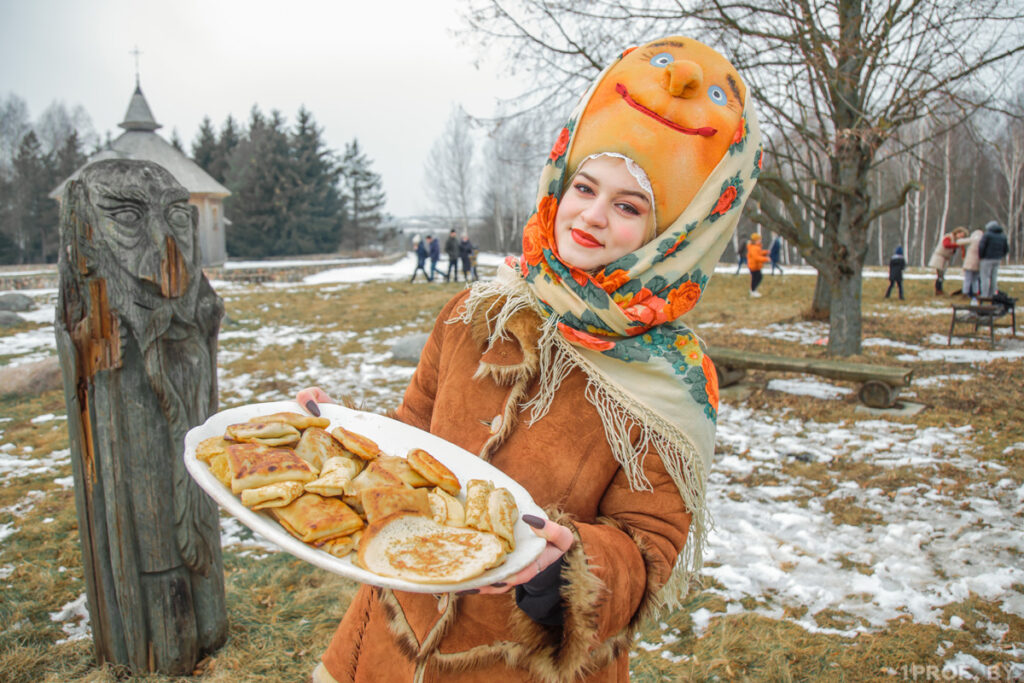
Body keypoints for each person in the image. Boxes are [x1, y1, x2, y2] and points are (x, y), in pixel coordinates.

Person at [302, 35, 761, 683]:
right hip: (387, 638)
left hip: (526, 666)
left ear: (675, 235)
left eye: (629, 206)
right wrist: (328, 434)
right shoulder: (473, 313)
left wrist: (570, 570)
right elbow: (405, 438)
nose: (592, 216)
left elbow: (648, 547)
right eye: (585, 186)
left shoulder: (672, 381)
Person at [927, 227, 969, 296]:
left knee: (941, 275)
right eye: (961, 235)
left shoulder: (955, 240)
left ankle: (939, 290)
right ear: (957, 232)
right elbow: (946, 245)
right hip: (940, 257)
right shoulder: (948, 237)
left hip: (945, 259)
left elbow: (962, 249)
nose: (961, 237)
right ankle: (938, 290)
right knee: (940, 275)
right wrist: (956, 245)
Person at [978, 220, 1009, 299]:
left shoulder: (987, 235)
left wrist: (981, 256)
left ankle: (984, 295)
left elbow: (982, 247)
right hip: (997, 259)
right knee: (993, 277)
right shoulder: (1003, 236)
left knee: (985, 277)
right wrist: (1000, 256)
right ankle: (992, 295)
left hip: (987, 259)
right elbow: (1006, 249)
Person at [959, 228, 984, 299]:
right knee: (975, 279)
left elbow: (959, 242)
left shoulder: (973, 239)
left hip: (969, 263)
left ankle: (965, 293)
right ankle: (976, 293)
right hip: (978, 263)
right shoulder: (983, 241)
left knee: (967, 279)